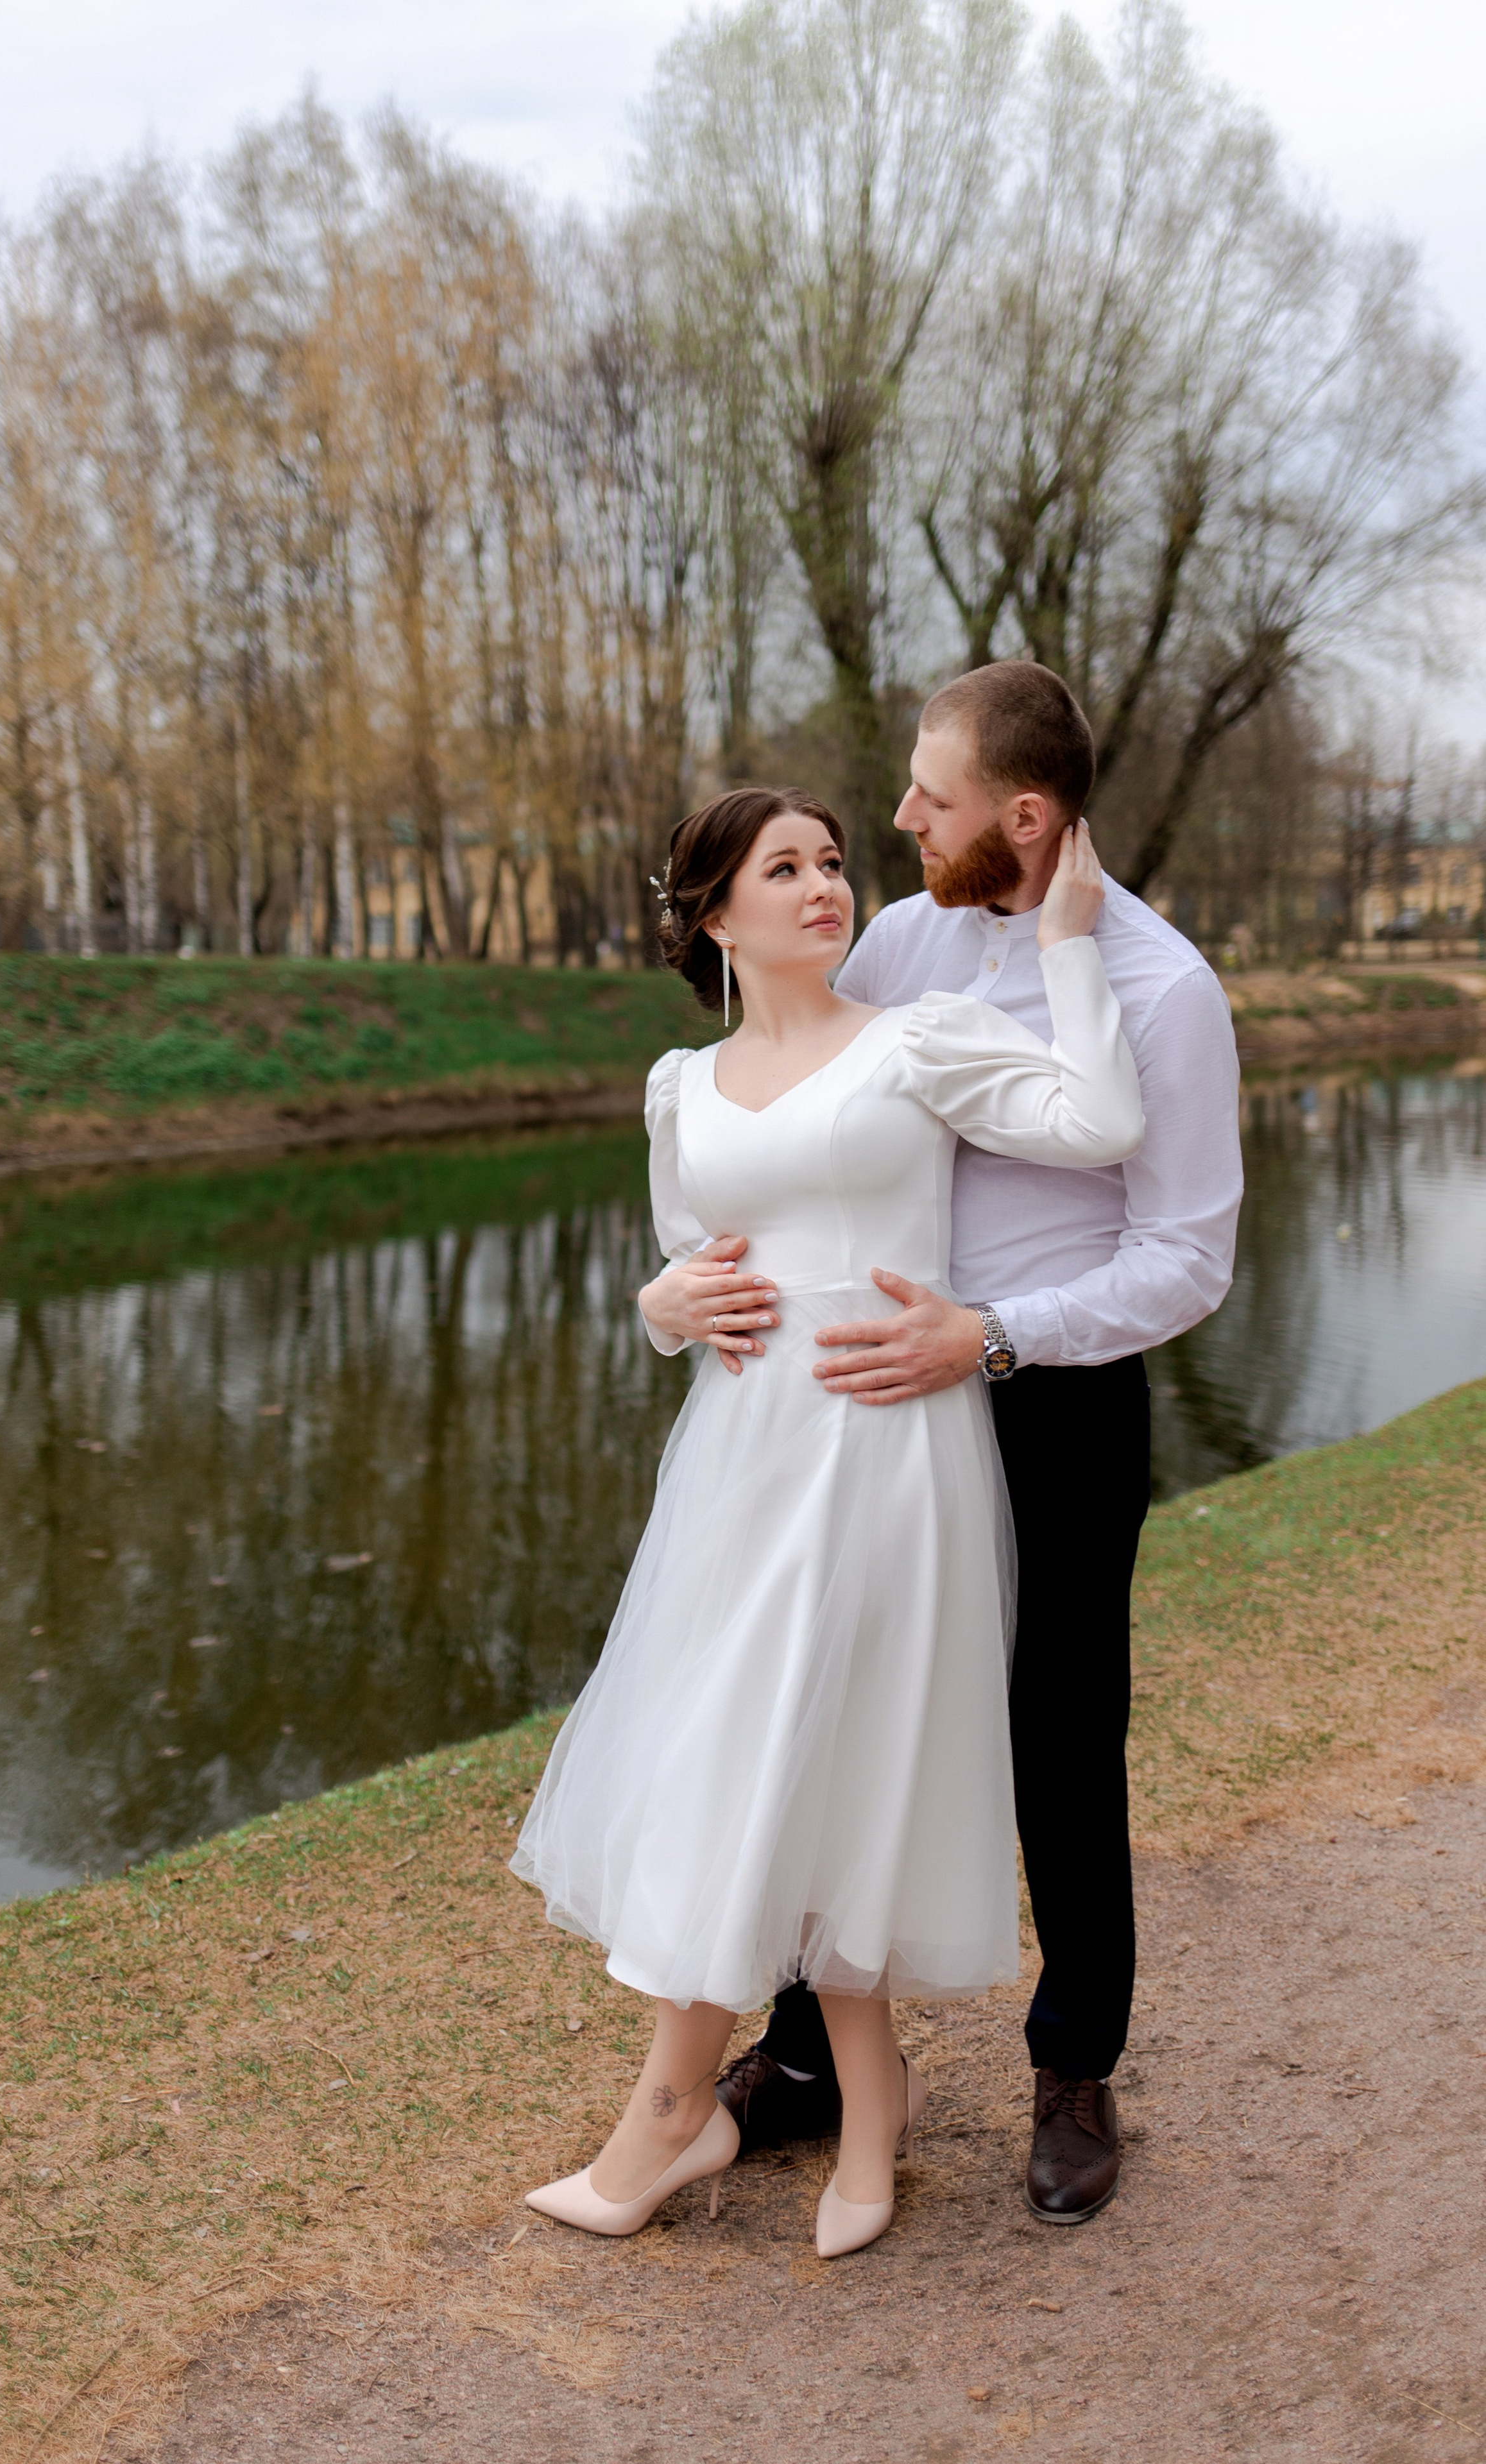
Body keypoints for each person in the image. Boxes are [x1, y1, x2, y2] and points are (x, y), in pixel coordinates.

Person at [510, 777, 1144, 2259]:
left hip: (884, 1446)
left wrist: (1065, 941)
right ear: (715, 914)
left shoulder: (912, 1046)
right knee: (752, 1756)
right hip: (740, 1461)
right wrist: (659, 1307)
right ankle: (865, 2100)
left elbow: (1098, 1116)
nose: (822, 887)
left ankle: (672, 2117)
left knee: (822, 1759)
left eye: (833, 862)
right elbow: (689, 1268)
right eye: (781, 868)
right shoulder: (679, 1085)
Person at [647, 663, 1242, 2227]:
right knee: (824, 1710)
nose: (896, 818)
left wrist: (988, 1332)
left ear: (1024, 818)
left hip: (1043, 1387)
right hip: (859, 1398)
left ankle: (1073, 2065)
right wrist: (694, 1285)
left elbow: (1184, 1257)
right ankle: (807, 2057)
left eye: (933, 795)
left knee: (1054, 1728)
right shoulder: (900, 936)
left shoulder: (1160, 988)